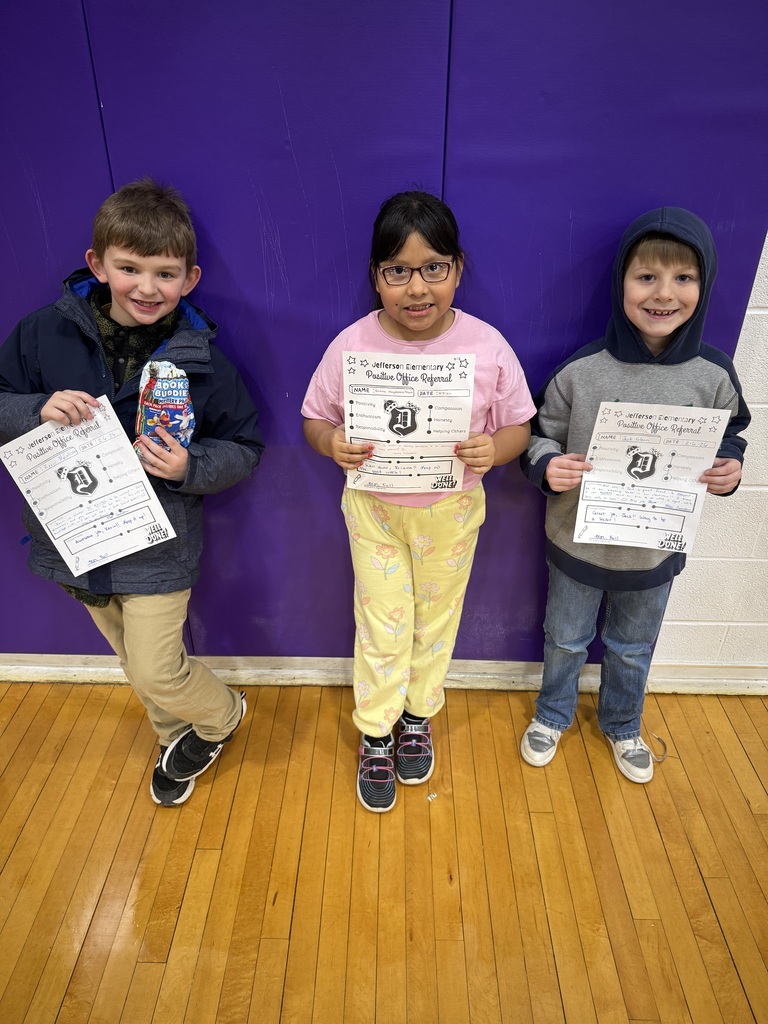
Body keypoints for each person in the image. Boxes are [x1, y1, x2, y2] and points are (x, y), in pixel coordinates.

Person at [0, 179, 264, 805]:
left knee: (154, 667)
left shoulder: (203, 362)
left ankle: (223, 716)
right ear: (98, 265)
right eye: (129, 268)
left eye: (165, 273)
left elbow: (245, 449)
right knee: (129, 658)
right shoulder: (42, 335)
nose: (147, 287)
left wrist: (187, 468)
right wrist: (36, 410)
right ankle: (177, 737)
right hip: (76, 538)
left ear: (189, 279)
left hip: (158, 545)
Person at [302, 191, 535, 812]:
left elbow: (519, 425)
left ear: (458, 268)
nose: (416, 288)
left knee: (435, 620)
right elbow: (313, 418)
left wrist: (496, 450)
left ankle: (416, 715)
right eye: (397, 271)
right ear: (376, 276)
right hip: (373, 510)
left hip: (451, 513)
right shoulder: (351, 344)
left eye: (434, 267)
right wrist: (332, 444)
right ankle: (375, 730)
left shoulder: (486, 346)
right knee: (382, 622)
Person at [520, 207, 750, 783]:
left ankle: (623, 723)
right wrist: (549, 466)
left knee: (631, 646)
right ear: (622, 280)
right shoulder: (582, 370)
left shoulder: (714, 376)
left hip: (653, 552)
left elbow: (731, 434)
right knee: (565, 639)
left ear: (704, 285)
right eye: (646, 277)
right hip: (578, 542)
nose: (664, 294)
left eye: (683, 278)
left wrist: (731, 469)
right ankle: (552, 713)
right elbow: (537, 434)